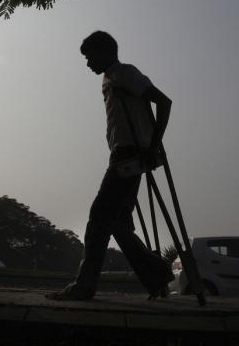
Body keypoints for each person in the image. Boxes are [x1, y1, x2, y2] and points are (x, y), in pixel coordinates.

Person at [47, 30, 174, 301]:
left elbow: (163, 101)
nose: (88, 63)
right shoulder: (109, 78)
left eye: (89, 57)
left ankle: (84, 285)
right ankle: (157, 274)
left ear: (104, 52)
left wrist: (154, 144)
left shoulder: (124, 72)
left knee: (98, 217)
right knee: (118, 223)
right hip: (124, 155)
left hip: (129, 156)